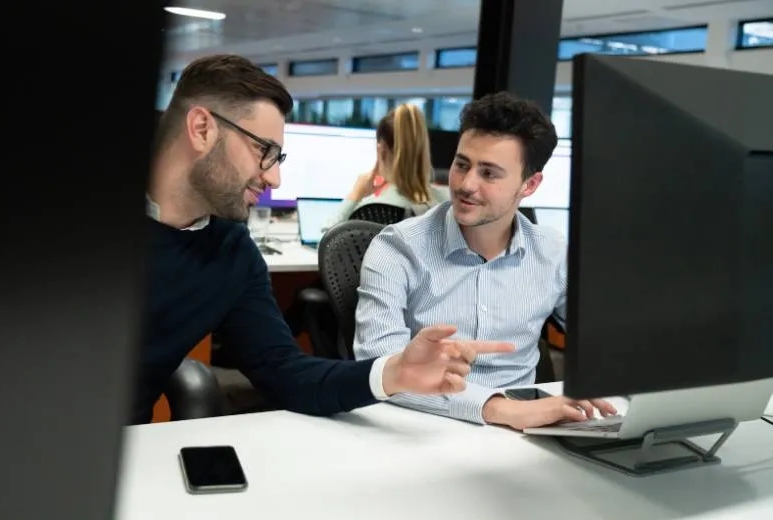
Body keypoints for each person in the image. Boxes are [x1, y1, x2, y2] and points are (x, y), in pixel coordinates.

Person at [136, 54, 513, 425]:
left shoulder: (230, 252)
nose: (273, 180)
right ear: (202, 129)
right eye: (263, 151)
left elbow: (285, 372)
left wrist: (392, 373)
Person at [353, 91, 616, 430]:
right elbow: (379, 367)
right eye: (462, 165)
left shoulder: (552, 253)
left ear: (530, 185)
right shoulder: (397, 249)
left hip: (527, 430)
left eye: (489, 173)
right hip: (418, 428)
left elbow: (605, 340)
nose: (466, 184)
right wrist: (501, 409)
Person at [324, 104, 448, 228]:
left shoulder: (371, 210)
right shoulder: (446, 206)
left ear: (382, 151)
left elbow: (327, 244)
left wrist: (355, 195)